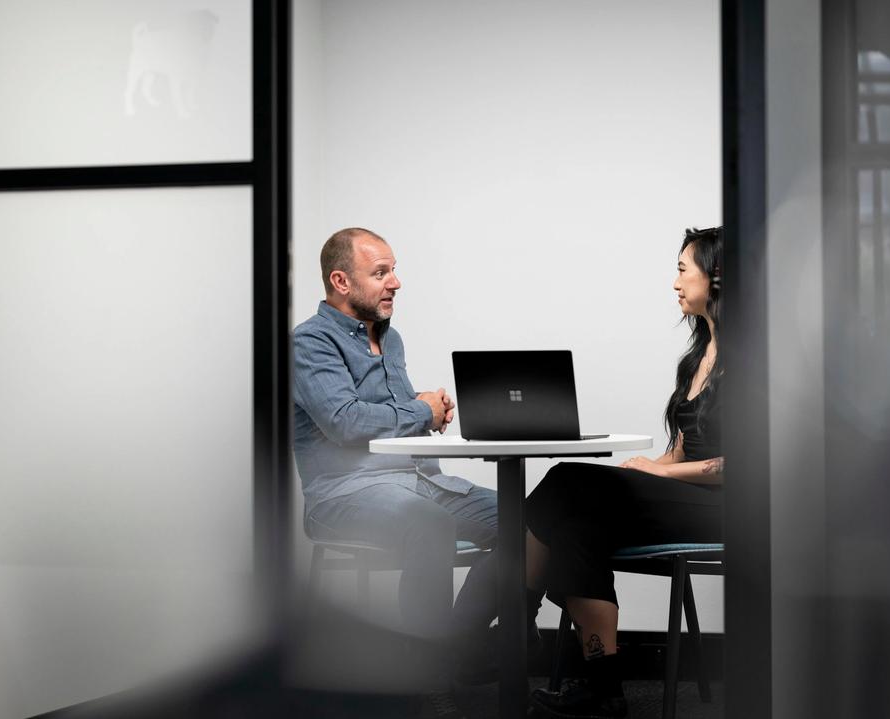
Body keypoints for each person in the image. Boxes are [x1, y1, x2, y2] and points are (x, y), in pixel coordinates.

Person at [293, 227, 498, 715]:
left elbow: (391, 419)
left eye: (393, 270)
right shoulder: (308, 344)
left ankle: (454, 646)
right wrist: (421, 412)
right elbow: (345, 423)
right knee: (430, 523)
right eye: (380, 272)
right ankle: (427, 679)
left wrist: (428, 409)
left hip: (421, 482)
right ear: (340, 281)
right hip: (342, 493)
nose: (395, 282)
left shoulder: (391, 338)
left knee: (532, 520)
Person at [524, 226, 726, 718]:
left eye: (683, 270)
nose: (675, 282)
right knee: (577, 521)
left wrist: (655, 478)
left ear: (717, 279)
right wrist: (642, 469)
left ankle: (512, 619)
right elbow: (682, 451)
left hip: (726, 509)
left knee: (568, 482)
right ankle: (603, 688)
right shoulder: (698, 358)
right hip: (686, 499)